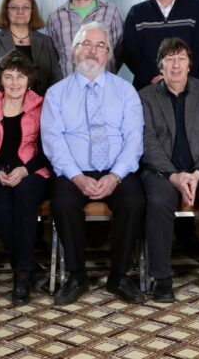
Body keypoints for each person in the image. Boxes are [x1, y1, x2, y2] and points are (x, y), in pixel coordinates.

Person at [41, 22, 146, 306]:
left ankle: (119, 275)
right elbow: (53, 141)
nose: (93, 51)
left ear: (109, 54)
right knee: (62, 203)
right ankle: (77, 275)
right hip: (74, 169)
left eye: (101, 46)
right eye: (87, 44)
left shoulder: (125, 91)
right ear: (75, 51)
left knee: (134, 201)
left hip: (116, 169)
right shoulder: (56, 93)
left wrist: (115, 176)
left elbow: (134, 139)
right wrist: (76, 176)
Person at [139, 37, 199, 302]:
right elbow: (147, 142)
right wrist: (174, 176)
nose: (176, 65)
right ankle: (162, 277)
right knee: (157, 202)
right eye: (169, 59)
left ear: (190, 64)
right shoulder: (145, 97)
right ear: (161, 66)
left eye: (181, 58)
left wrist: (197, 172)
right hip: (162, 171)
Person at [0, 51, 51, 306]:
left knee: (24, 197)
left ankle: (22, 275)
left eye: (21, 76)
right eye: (9, 77)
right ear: (0, 80)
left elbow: (49, 150)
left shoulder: (42, 107)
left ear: (29, 79)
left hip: (31, 170)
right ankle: (29, 268)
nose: (15, 82)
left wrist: (25, 170)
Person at [46, 0, 124, 77]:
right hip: (68, 88)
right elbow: (52, 56)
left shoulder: (112, 12)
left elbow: (120, 50)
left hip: (105, 86)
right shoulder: (55, 17)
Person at [0, 0, 61, 96]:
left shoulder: (46, 41)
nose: (20, 12)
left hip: (43, 105)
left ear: (32, 11)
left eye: (25, 7)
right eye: (14, 7)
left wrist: (45, 101)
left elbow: (56, 76)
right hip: (7, 107)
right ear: (5, 11)